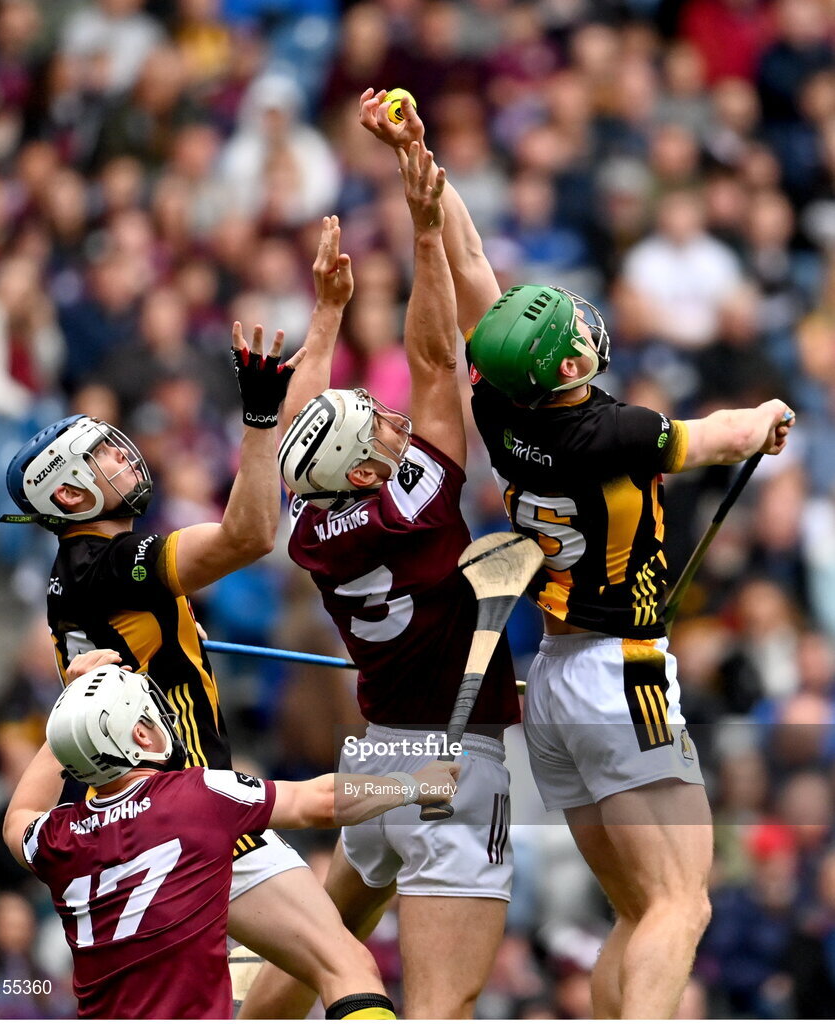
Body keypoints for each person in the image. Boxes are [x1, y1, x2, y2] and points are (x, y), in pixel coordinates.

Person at [359, 88, 795, 1020]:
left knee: (636, 911)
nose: (582, 331)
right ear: (563, 368)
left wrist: (418, 160)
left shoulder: (498, 407)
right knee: (683, 900)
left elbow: (472, 261)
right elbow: (715, 435)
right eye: (570, 336)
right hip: (617, 673)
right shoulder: (615, 432)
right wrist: (763, 416)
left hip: (556, 682)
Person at [0, 314, 396, 1014]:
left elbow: (298, 447)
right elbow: (249, 534)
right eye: (102, 461)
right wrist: (256, 414)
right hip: (187, 810)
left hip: (137, 822)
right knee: (344, 964)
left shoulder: (84, 571)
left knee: (310, 967)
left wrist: (325, 327)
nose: (126, 461)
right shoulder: (114, 567)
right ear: (68, 496)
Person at [245, 149, 519, 1020]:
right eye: (379, 433)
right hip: (455, 764)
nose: (396, 426)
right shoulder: (420, 507)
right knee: (442, 1006)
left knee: (328, 952)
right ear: (363, 474)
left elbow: (298, 429)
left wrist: (326, 315)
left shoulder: (311, 526)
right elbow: (437, 360)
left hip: (383, 756)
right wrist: (427, 227)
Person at [3, 662, 458, 1019]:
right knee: (350, 968)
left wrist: (69, 726)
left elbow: (17, 820)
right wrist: (414, 784)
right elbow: (318, 801)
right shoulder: (197, 793)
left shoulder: (58, 837)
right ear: (141, 735)